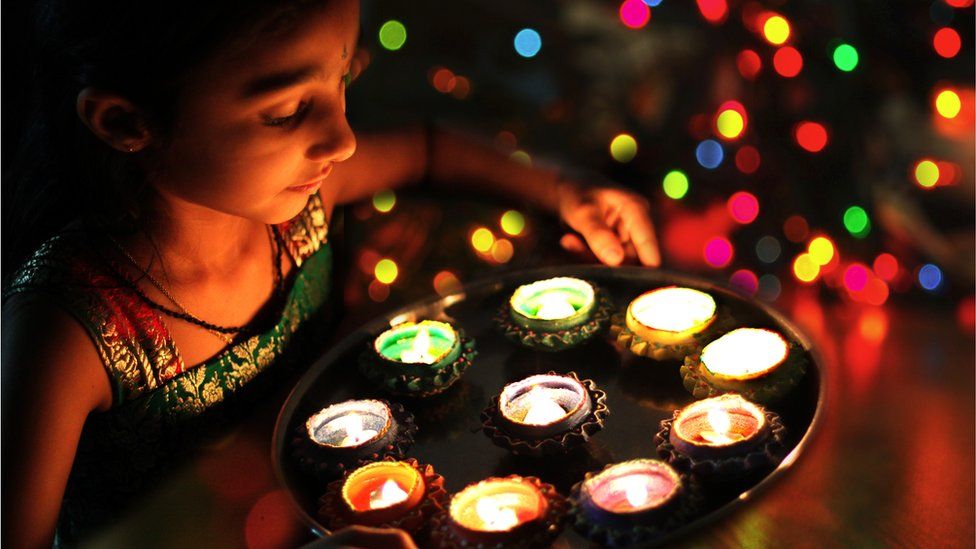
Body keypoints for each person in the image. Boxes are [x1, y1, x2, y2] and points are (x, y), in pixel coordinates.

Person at [0, 0, 659, 546]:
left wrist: (563, 189)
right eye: (286, 111)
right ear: (126, 121)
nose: (343, 139)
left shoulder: (295, 204)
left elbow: (427, 149)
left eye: (344, 79)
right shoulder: (70, 331)